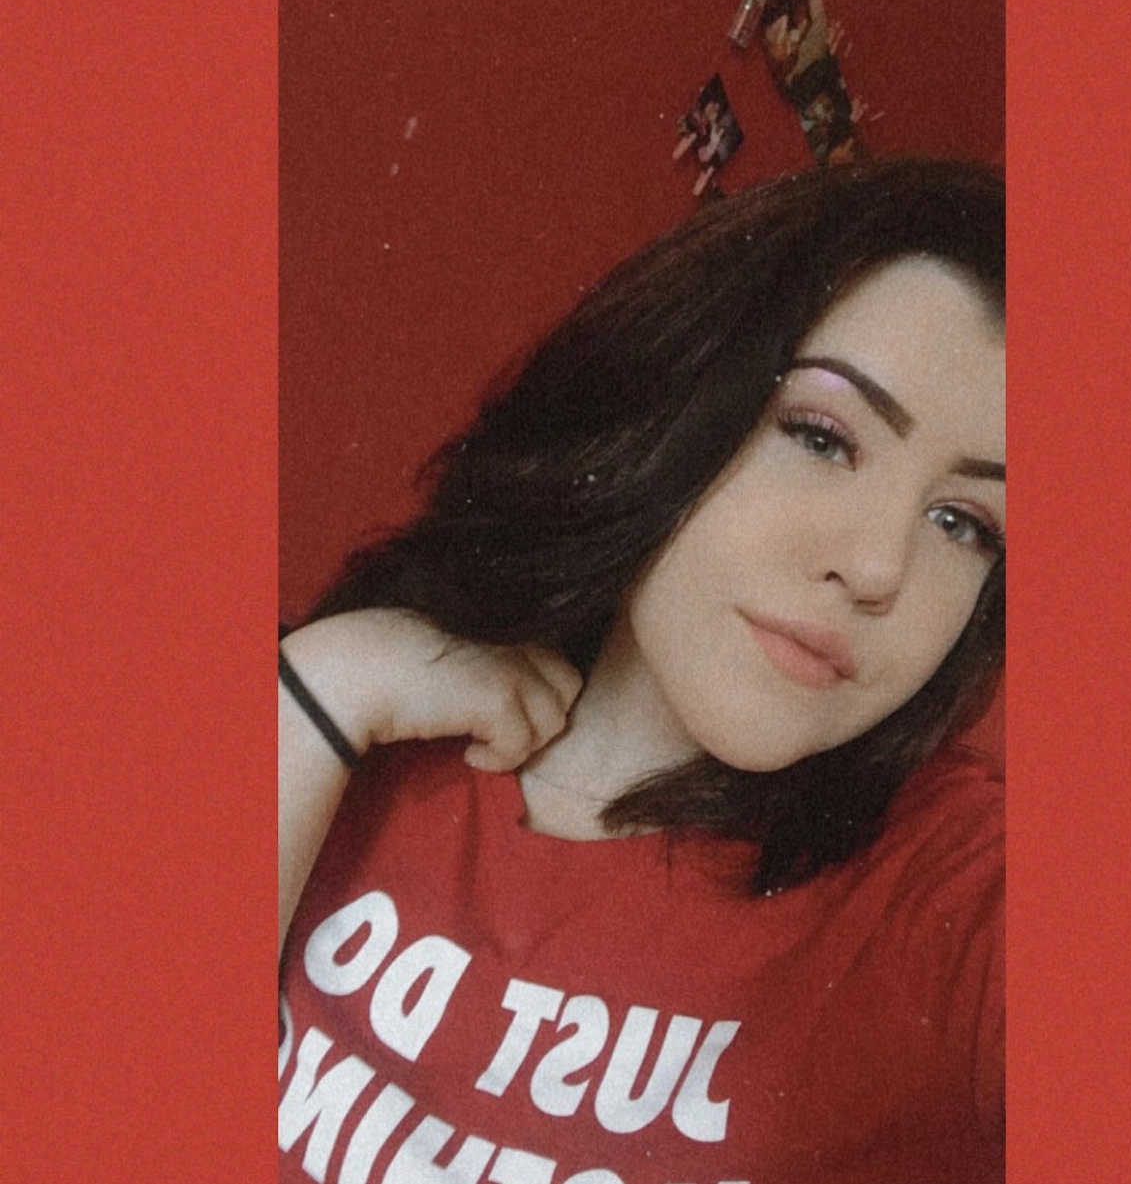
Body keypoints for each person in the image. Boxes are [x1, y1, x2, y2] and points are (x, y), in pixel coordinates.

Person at [278, 156, 1006, 1184]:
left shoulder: (948, 896)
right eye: (821, 437)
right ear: (675, 395)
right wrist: (318, 690)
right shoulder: (361, 716)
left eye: (963, 522)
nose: (881, 567)